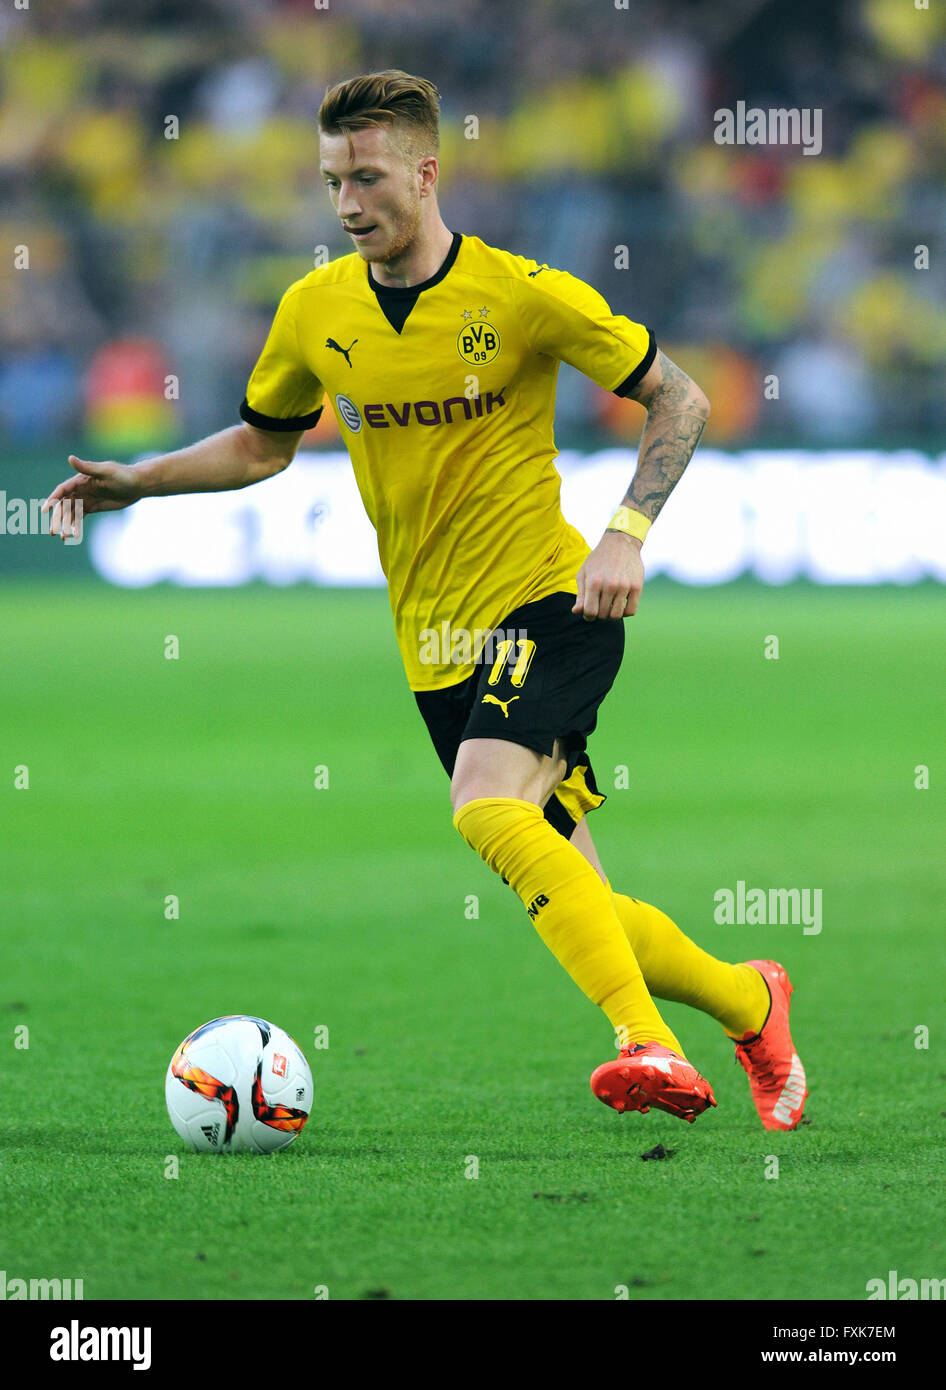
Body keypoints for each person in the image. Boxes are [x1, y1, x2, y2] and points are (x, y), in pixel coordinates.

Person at [43, 69, 806, 1130]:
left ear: (426, 170)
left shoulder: (521, 293)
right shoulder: (315, 310)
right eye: (329, 183)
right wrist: (141, 479)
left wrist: (624, 533)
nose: (347, 204)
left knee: (484, 806)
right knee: (577, 898)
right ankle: (748, 998)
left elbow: (676, 394)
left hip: (552, 604)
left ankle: (649, 1044)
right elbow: (264, 443)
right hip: (432, 647)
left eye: (366, 177)